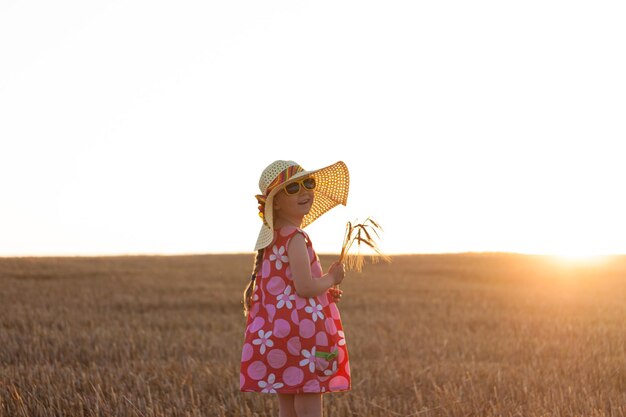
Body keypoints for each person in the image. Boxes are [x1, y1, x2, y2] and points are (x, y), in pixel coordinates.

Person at [240, 160, 351, 417]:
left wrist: (324, 291)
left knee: (288, 405)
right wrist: (332, 278)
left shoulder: (274, 239)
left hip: (279, 334)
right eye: (293, 188)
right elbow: (305, 287)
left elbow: (288, 288)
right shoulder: (295, 238)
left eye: (308, 183)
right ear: (275, 202)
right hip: (304, 334)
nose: (305, 192)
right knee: (310, 397)